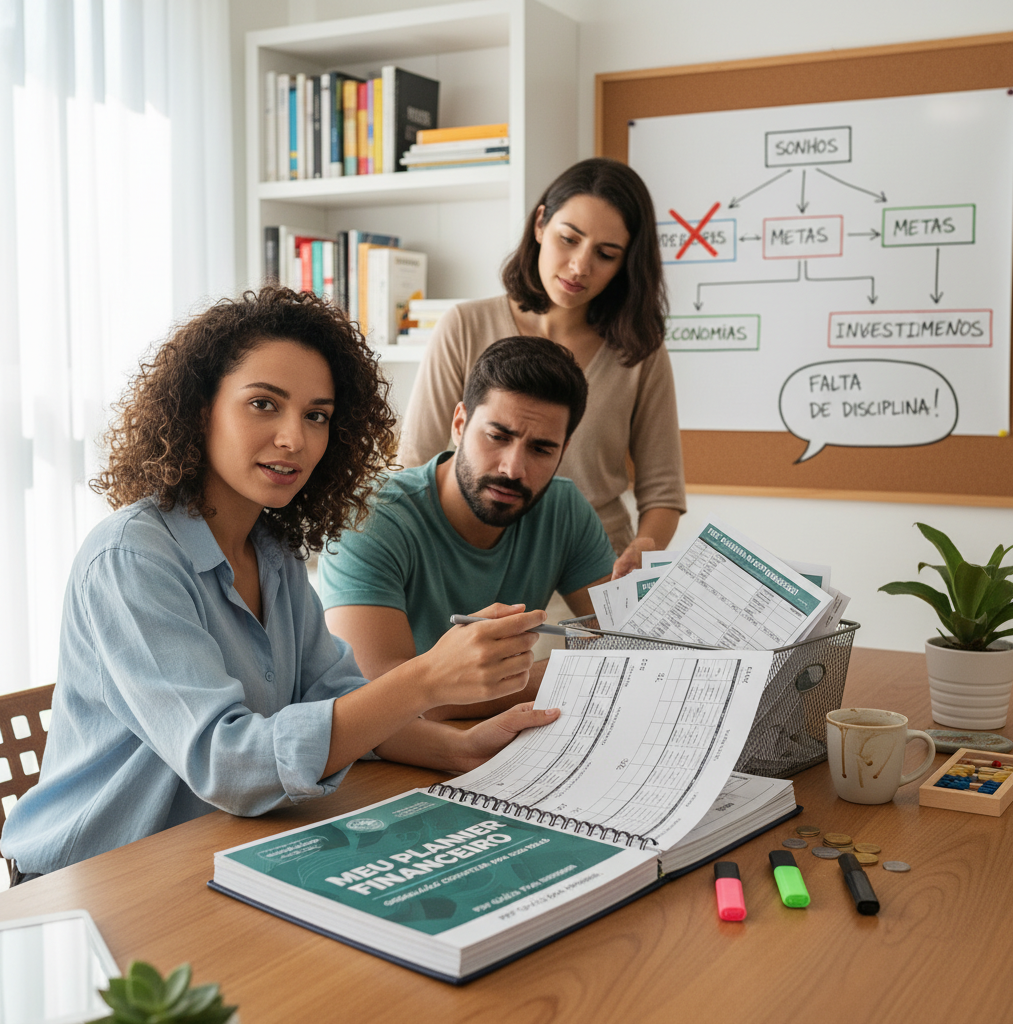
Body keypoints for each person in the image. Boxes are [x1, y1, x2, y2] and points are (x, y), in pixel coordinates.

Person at [1, 288, 559, 882]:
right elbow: (230, 765)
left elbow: (338, 698)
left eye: (316, 415)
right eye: (264, 404)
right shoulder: (129, 558)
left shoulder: (272, 552)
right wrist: (426, 679)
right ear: (199, 409)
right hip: (98, 882)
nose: (295, 438)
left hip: (214, 851)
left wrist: (461, 750)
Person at [398, 157, 686, 578]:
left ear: (626, 263)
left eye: (606, 254)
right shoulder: (464, 325)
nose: (580, 267)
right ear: (540, 225)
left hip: (596, 570)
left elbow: (663, 490)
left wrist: (646, 548)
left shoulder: (639, 351)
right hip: (473, 564)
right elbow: (414, 464)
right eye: (569, 239)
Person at [320, 336, 615, 721]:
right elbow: (377, 697)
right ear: (460, 424)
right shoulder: (369, 518)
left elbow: (627, 645)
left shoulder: (565, 509)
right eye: (498, 436)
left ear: (564, 448)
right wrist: (552, 677)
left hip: (504, 743)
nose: (513, 469)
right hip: (388, 759)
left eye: (541, 449)